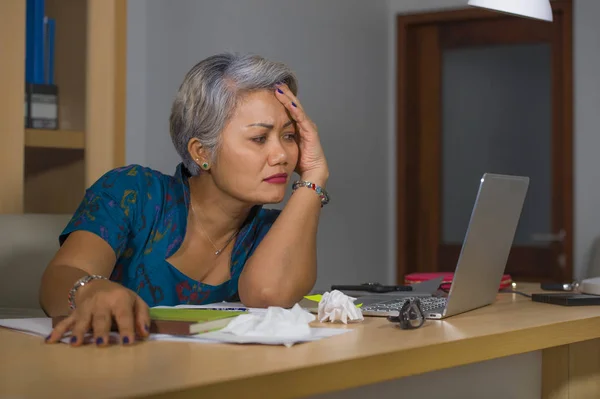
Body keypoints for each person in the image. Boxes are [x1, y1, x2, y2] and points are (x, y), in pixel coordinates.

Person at [40, 52, 330, 347]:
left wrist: (315, 175)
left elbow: (269, 295)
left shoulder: (274, 231)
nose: (281, 155)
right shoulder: (133, 192)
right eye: (259, 138)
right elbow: (59, 277)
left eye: (289, 136)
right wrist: (90, 290)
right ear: (202, 152)